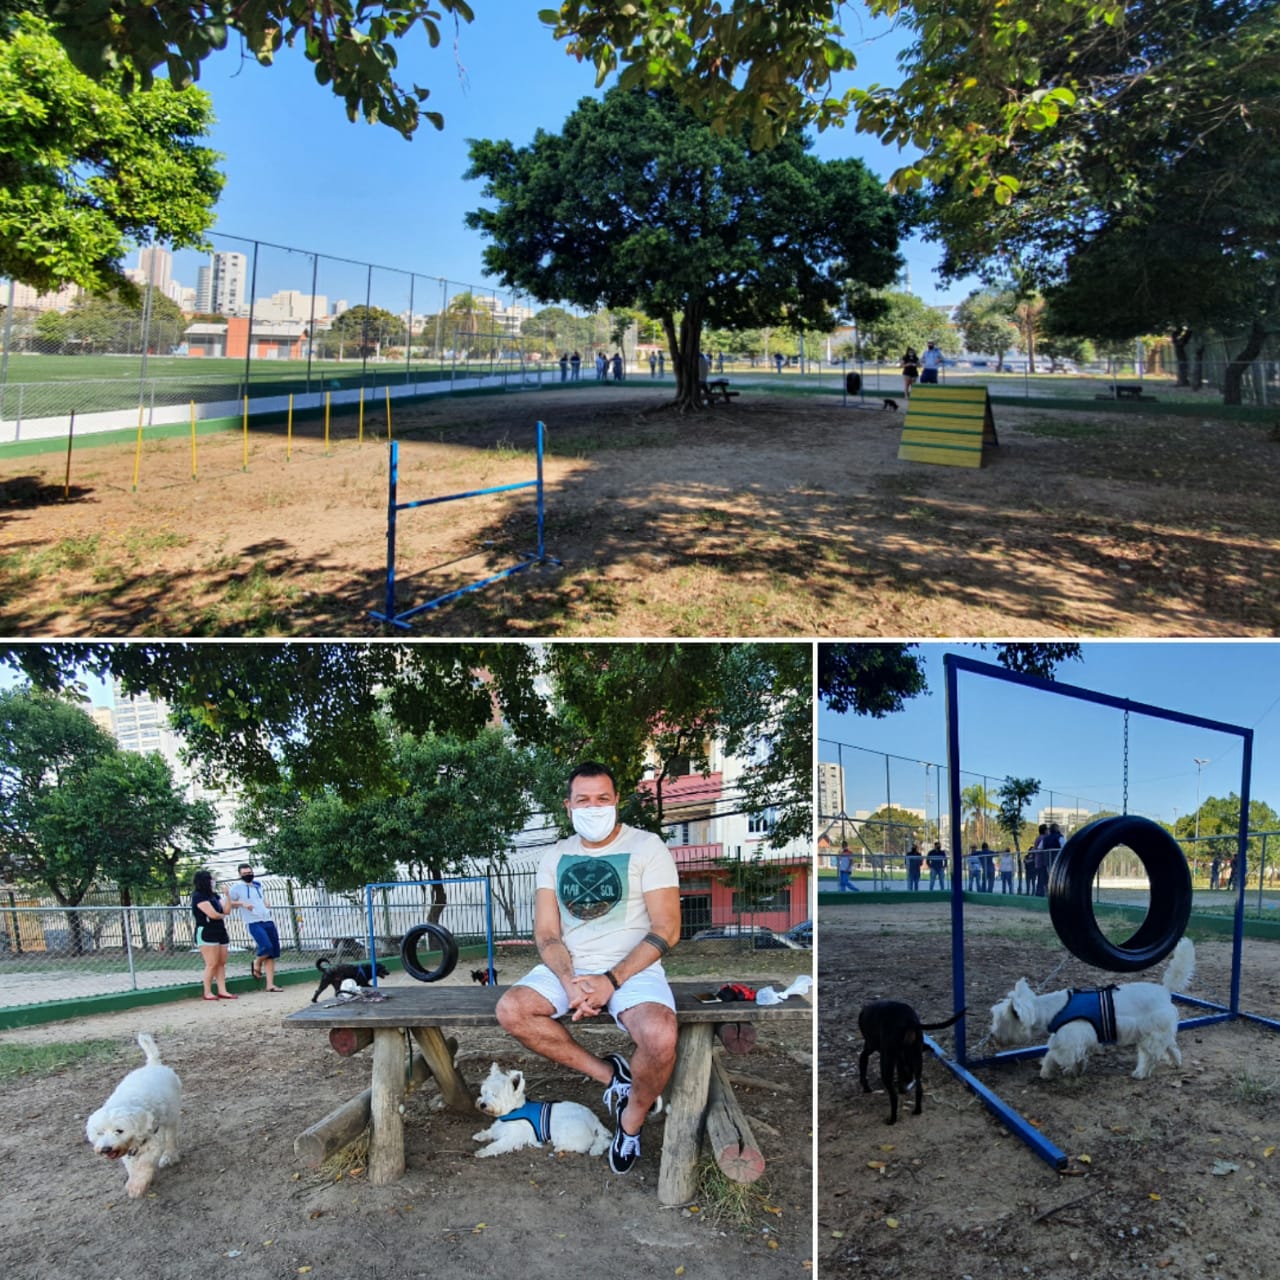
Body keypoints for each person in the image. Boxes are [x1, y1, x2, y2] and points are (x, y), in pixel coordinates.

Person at [495, 762, 679, 1176]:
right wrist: (569, 981)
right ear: (568, 806)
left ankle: (630, 1122)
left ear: (616, 801)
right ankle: (611, 1077)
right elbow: (545, 934)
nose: (593, 807)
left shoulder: (647, 847)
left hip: (632, 970)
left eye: (602, 799)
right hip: (571, 968)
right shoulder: (555, 856)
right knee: (511, 1009)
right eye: (583, 800)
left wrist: (610, 981)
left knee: (660, 1034)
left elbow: (668, 929)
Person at [226, 862, 284, 991]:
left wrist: (265, 901)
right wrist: (242, 903)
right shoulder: (237, 888)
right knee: (266, 946)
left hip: (267, 919)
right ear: (240, 875)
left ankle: (270, 984)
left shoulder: (258, 886)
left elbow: (260, 899)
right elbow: (228, 903)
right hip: (253, 921)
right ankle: (257, 962)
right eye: (245, 874)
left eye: (249, 872)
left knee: (271, 953)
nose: (248, 875)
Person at [191, 868, 241, 1001]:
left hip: (220, 930)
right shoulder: (198, 896)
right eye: (210, 879)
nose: (213, 882)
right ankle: (207, 991)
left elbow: (226, 910)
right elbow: (212, 914)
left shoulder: (214, 896)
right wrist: (221, 915)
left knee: (221, 962)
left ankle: (222, 990)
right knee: (211, 963)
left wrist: (228, 896)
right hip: (207, 931)